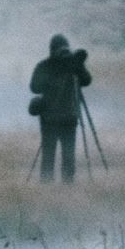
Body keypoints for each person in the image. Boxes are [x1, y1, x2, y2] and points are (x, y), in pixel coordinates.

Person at [28, 33, 92, 183]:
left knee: (49, 153)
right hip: (69, 117)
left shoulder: (45, 65)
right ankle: (67, 183)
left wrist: (77, 65)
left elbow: (34, 87)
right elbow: (86, 80)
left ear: (51, 49)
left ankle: (46, 183)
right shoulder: (68, 65)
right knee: (68, 154)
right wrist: (77, 65)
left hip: (49, 118)